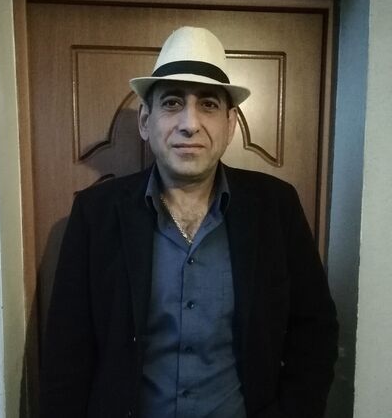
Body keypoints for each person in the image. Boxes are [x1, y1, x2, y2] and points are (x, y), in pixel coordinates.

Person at [40, 26, 338, 418]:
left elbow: (314, 331)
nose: (190, 124)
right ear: (145, 121)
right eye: (172, 103)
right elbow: (66, 350)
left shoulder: (277, 207)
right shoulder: (95, 213)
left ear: (231, 125)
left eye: (209, 104)